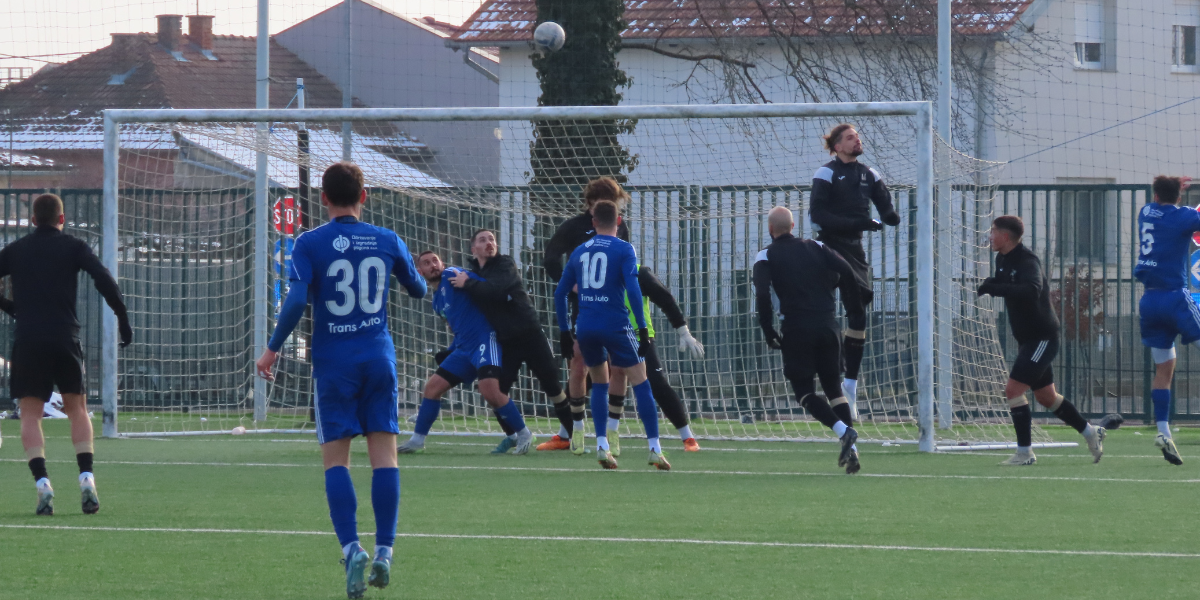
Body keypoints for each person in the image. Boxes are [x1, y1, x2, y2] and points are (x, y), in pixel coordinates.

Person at [255, 162, 426, 598]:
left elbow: (295, 300)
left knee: (336, 461)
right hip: (378, 358)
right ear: (363, 196)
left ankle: (352, 549)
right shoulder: (386, 239)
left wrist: (273, 347)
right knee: (385, 457)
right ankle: (385, 552)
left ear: (324, 199)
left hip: (334, 364)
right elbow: (418, 289)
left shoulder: (309, 243)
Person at [0, 193, 132, 516]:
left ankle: (42, 483)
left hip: (29, 338)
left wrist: (12, 309)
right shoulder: (73, 246)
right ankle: (86, 478)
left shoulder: (16, 251)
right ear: (62, 219)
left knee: (29, 413)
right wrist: (122, 317)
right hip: (65, 337)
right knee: (77, 408)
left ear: (33, 221)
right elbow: (103, 278)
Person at [978, 215, 1105, 466]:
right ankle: (1091, 432)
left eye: (993, 231)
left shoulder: (1027, 260)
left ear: (1006, 236)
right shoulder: (1002, 258)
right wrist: (991, 283)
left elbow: (1031, 289)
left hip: (1042, 338)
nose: (989, 236)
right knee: (1046, 397)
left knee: (1013, 390)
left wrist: (996, 288)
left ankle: (1025, 453)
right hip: (1029, 339)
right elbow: (1007, 283)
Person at [555, 200, 668, 470]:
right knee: (641, 383)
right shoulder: (624, 248)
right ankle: (654, 448)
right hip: (616, 324)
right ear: (619, 221)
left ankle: (602, 446)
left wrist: (563, 331)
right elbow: (633, 288)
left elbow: (559, 293)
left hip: (586, 326)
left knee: (599, 382)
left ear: (593, 222)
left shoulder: (580, 251)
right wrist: (641, 328)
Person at [753, 206, 862, 474]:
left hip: (797, 328)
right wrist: (833, 291)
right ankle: (853, 452)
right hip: (828, 326)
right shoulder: (817, 246)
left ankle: (844, 431)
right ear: (792, 227)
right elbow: (847, 271)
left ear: (770, 230)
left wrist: (768, 331)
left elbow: (763, 296)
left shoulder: (765, 255)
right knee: (834, 389)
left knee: (804, 393)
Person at [399, 250, 536, 456]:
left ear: (442, 263)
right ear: (420, 271)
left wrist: (508, 299)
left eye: (435, 260)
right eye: (427, 263)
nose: (433, 265)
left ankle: (524, 434)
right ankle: (417, 440)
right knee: (432, 388)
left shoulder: (452, 274)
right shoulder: (437, 301)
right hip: (464, 348)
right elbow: (454, 326)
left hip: (484, 339)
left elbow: (486, 286)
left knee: (489, 390)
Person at [449, 229, 572, 453]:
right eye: (483, 240)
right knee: (496, 391)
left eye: (492, 239)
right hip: (505, 340)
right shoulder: (472, 274)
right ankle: (514, 436)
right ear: (473, 248)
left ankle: (572, 436)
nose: (489, 243)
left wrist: (469, 284)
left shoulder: (505, 264)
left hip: (529, 334)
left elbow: (494, 290)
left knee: (552, 386)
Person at [809, 123, 902, 417]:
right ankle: (828, 373)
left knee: (858, 313)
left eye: (858, 137)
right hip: (828, 246)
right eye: (850, 138)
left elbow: (887, 209)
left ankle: (850, 383)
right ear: (837, 146)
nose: (856, 141)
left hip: (855, 250)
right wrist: (858, 223)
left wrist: (890, 215)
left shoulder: (869, 174)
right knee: (821, 312)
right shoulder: (825, 173)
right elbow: (818, 214)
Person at [543, 177, 632, 453]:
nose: (611, 206)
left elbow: (624, 263)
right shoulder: (573, 227)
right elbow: (550, 257)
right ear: (590, 203)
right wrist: (570, 285)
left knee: (618, 366)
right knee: (579, 363)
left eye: (615, 202)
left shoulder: (620, 227)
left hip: (615, 306)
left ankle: (612, 431)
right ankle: (575, 431)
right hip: (586, 307)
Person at [605, 265, 706, 456]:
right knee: (587, 377)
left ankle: (687, 436)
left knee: (656, 383)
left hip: (638, 336)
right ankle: (571, 433)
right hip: (607, 334)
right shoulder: (597, 269)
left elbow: (666, 299)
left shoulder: (638, 272)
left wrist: (684, 332)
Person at [1134, 175, 1197, 466]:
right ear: (1179, 197)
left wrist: (1175, 191)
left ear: (1155, 195)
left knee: (1164, 367)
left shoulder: (1145, 212)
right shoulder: (1184, 217)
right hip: (1175, 298)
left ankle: (1162, 430)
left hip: (1149, 302)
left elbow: (1164, 205)